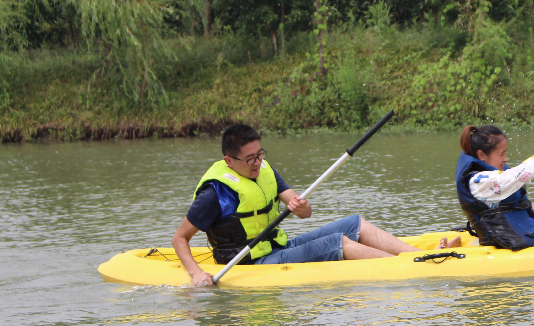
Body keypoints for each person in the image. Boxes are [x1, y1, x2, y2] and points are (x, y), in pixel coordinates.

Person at [173, 123, 458, 287]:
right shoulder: (215, 193)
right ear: (229, 161)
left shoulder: (265, 171)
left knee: (353, 223)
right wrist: (196, 273)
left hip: (278, 248)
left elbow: (304, 210)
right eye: (250, 159)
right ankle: (415, 268)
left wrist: (301, 208)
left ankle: (420, 255)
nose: (257, 163)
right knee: (337, 241)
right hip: (253, 262)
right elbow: (180, 239)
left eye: (260, 154)